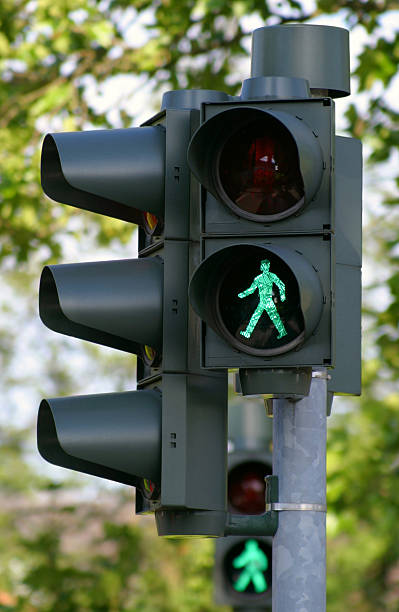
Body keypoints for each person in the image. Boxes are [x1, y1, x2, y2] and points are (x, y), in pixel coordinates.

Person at [238, 258, 287, 340]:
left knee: (274, 317)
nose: (265, 267)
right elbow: (252, 289)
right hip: (262, 300)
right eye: (263, 266)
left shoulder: (272, 276)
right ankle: (247, 333)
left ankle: (282, 332)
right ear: (261, 267)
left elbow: (281, 285)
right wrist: (243, 294)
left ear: (269, 266)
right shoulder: (258, 278)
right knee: (255, 316)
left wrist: (282, 295)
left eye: (267, 265)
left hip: (268, 300)